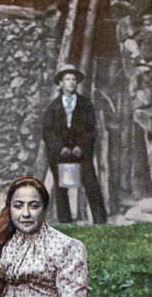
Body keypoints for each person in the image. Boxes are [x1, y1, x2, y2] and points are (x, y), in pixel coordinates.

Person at [41, 64, 108, 224]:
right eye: (67, 79)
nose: (71, 83)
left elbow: (91, 129)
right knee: (61, 187)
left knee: (91, 184)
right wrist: (60, 148)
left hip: (81, 152)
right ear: (61, 83)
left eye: (73, 79)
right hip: (60, 153)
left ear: (77, 83)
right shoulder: (53, 107)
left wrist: (81, 147)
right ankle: (65, 221)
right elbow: (48, 131)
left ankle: (100, 221)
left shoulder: (85, 104)